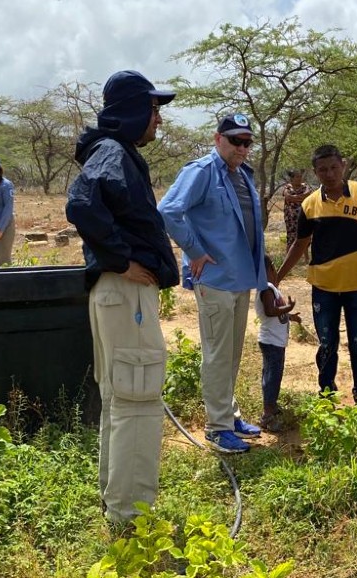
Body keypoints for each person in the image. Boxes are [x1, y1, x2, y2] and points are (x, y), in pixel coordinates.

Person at [65, 70, 180, 525]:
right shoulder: (113, 151)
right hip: (125, 289)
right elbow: (81, 204)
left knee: (121, 396)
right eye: (153, 110)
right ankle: (132, 517)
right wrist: (119, 259)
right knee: (138, 395)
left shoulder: (115, 152)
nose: (158, 120)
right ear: (131, 111)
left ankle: (118, 506)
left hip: (118, 293)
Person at [158, 113, 267, 454]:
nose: (242, 147)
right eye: (235, 140)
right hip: (216, 279)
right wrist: (195, 251)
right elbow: (168, 211)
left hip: (241, 277)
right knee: (217, 354)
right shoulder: (201, 172)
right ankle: (217, 428)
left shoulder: (241, 175)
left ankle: (229, 415)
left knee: (232, 352)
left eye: (247, 142)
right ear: (217, 139)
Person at [277, 144, 357, 402]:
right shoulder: (310, 204)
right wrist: (276, 277)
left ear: (342, 165)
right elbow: (300, 244)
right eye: (323, 170)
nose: (330, 174)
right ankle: (326, 393)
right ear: (315, 172)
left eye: (334, 167)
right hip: (323, 286)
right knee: (326, 343)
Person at [256, 255, 300, 433]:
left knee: (273, 374)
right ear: (271, 270)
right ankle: (267, 414)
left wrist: (291, 316)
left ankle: (271, 405)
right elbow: (270, 311)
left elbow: (276, 314)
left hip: (275, 342)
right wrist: (288, 308)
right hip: (271, 342)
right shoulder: (266, 289)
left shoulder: (271, 289)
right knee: (272, 376)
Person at [280, 168, 309, 248]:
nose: (299, 178)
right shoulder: (287, 188)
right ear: (292, 178)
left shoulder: (305, 187)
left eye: (300, 176)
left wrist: (295, 197)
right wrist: (300, 197)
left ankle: (306, 259)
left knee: (304, 236)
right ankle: (289, 258)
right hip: (291, 218)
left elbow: (307, 195)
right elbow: (288, 197)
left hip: (304, 216)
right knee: (291, 237)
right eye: (297, 177)